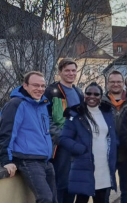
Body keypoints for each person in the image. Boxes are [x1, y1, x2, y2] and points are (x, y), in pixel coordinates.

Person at [0, 71, 56, 203]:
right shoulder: (16, 104)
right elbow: (6, 132)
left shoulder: (42, 104)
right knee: (45, 198)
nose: (40, 89)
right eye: (35, 85)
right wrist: (6, 160)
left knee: (53, 199)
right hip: (28, 160)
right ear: (25, 85)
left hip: (45, 160)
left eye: (42, 86)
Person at [59, 82, 118, 203]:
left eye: (96, 94)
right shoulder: (76, 114)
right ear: (84, 95)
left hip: (104, 167)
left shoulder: (107, 113)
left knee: (102, 199)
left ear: (101, 97)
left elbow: (113, 135)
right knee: (82, 199)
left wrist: (114, 148)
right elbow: (63, 138)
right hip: (84, 165)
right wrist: (80, 149)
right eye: (88, 93)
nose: (92, 96)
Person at [45, 59, 83, 203]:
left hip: (77, 144)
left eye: (73, 70)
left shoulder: (78, 92)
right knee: (60, 183)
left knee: (73, 183)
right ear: (60, 72)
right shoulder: (51, 92)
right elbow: (46, 118)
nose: (71, 73)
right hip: (61, 146)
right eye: (67, 70)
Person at [102, 70, 127, 203]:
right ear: (107, 84)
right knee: (104, 190)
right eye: (112, 82)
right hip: (106, 153)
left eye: (119, 81)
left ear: (123, 84)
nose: (116, 84)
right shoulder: (100, 102)